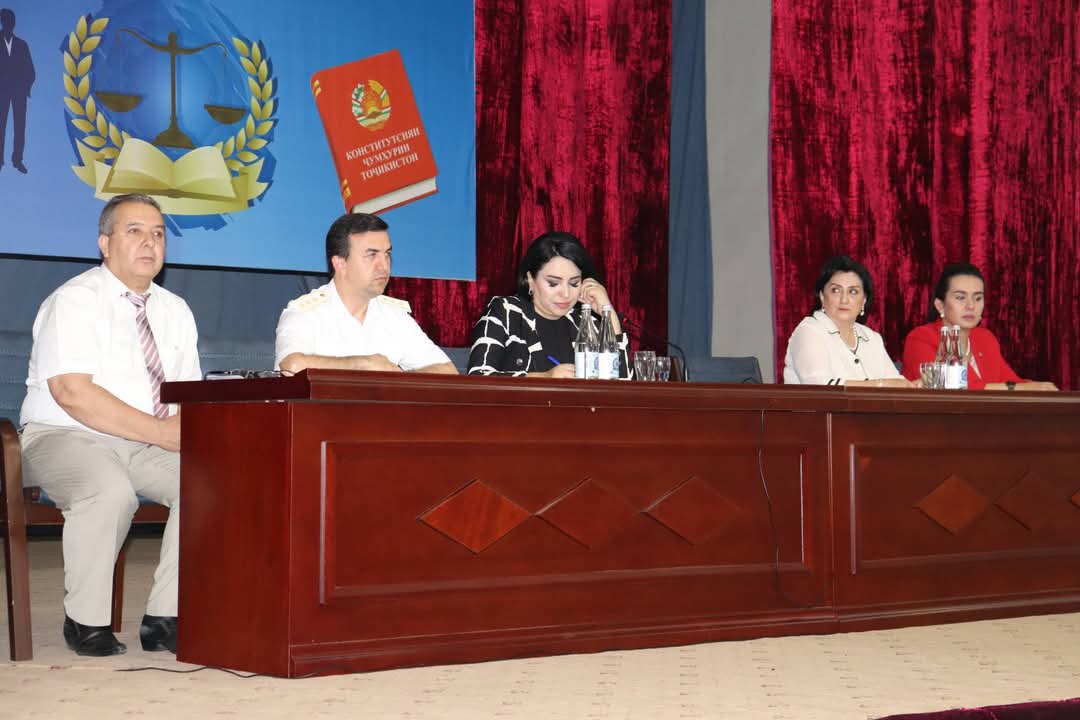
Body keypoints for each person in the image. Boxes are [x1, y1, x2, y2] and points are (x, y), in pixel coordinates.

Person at [19, 193, 201, 656]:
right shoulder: (75, 300)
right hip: (64, 436)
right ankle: (86, 621)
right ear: (104, 243)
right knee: (109, 491)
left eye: (158, 234)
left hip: (143, 444)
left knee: (214, 482)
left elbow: (187, 395)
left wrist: (192, 433)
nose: (149, 242)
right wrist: (162, 433)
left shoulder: (176, 310)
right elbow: (72, 393)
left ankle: (166, 617)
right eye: (134, 231)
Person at [275, 212, 457, 375]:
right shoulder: (305, 313)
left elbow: (447, 372)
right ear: (339, 263)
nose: (384, 266)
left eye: (387, 254)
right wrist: (363, 365)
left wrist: (395, 381)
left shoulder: (395, 315)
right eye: (372, 255)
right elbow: (291, 366)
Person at [468, 231, 630, 377]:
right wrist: (543, 378)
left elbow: (624, 388)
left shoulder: (586, 324)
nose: (565, 294)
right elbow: (478, 377)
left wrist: (608, 314)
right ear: (530, 280)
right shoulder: (506, 312)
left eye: (574, 283)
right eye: (553, 283)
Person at [900, 263, 1058, 391]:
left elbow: (1012, 381)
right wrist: (1018, 388)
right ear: (940, 306)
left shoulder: (985, 339)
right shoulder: (920, 339)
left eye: (977, 298)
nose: (970, 306)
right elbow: (957, 388)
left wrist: (1038, 387)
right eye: (960, 297)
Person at [783, 255, 913, 387]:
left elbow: (897, 383)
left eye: (853, 291)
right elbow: (822, 388)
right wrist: (880, 384)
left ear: (864, 300)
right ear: (822, 296)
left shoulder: (872, 338)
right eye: (836, 290)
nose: (844, 300)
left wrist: (916, 386)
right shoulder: (809, 331)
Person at [0, 7, 34, 174]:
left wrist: (26, 87)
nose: (9, 24)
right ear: (3, 22)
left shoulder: (22, 44)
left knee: (20, 127)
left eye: (11, 21)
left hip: (19, 91)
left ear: (13, 23)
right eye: (6, 20)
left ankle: (17, 159)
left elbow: (31, 70)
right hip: (1, 91)